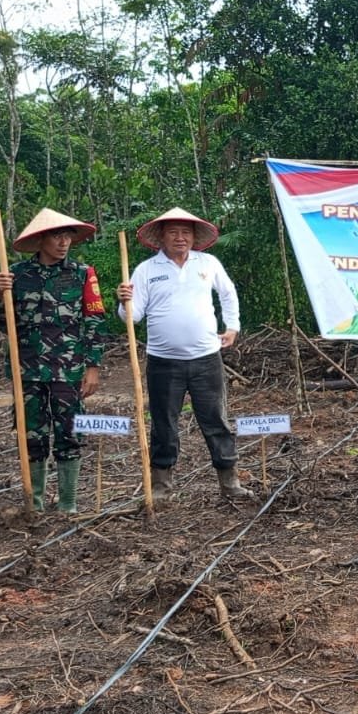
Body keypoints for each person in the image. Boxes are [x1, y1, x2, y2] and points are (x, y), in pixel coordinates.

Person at [116, 208, 249, 501]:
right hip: (163, 362)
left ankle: (230, 483)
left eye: (186, 232)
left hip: (206, 359)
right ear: (162, 237)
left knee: (216, 420)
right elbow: (133, 317)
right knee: (164, 423)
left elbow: (228, 293)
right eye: (173, 232)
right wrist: (124, 301)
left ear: (193, 237)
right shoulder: (146, 270)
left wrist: (233, 326)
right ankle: (161, 487)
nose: (180, 238)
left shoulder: (208, 263)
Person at [0, 207, 105, 513]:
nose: (64, 242)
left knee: (70, 433)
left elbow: (94, 321)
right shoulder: (16, 275)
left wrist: (93, 367)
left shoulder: (82, 274)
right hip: (27, 369)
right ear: (41, 239)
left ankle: (68, 504)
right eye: (56, 236)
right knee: (32, 435)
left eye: (67, 236)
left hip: (68, 369)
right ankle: (35, 503)